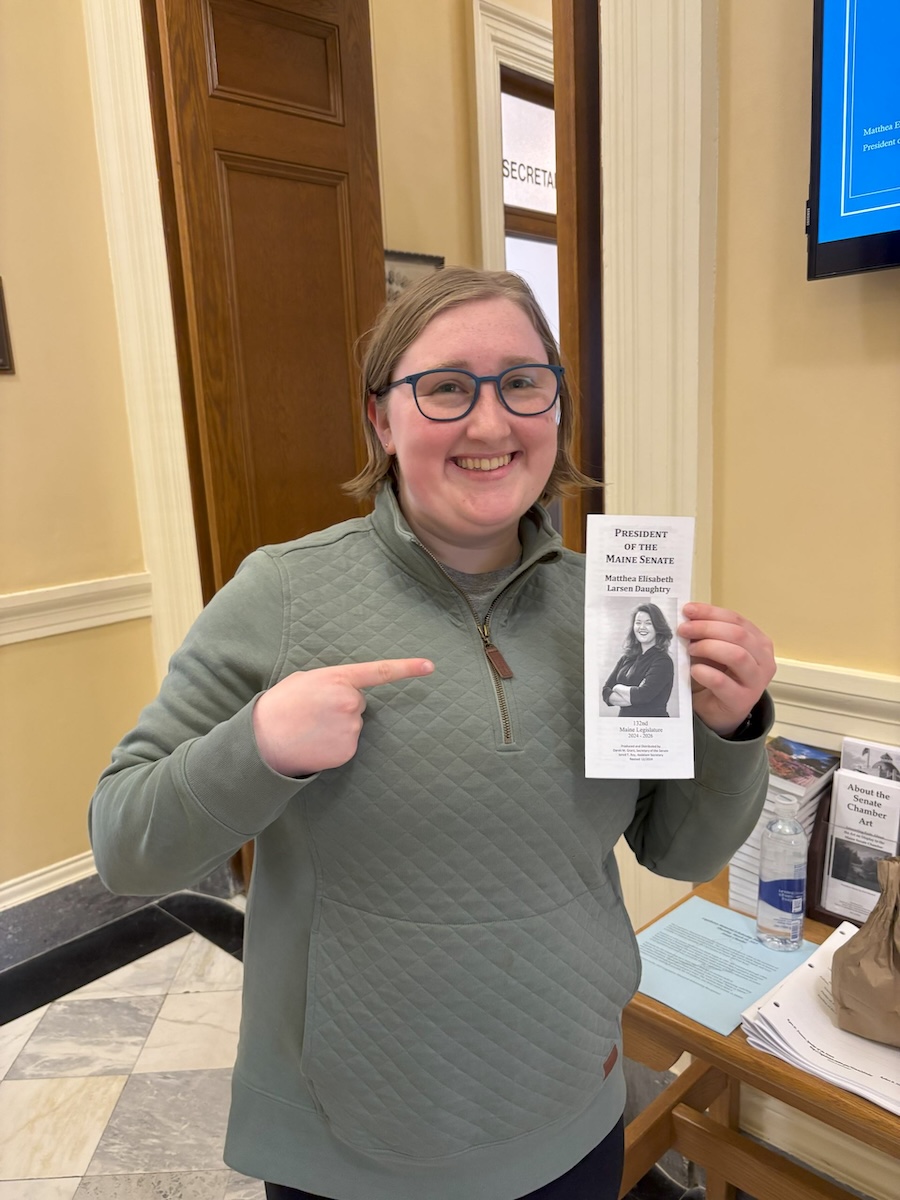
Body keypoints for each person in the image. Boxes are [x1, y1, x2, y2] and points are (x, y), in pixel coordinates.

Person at [89, 267, 776, 1200]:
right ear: (381, 419)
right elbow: (125, 844)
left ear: (557, 405)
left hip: (571, 1108)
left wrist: (729, 729)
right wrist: (260, 746)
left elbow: (676, 847)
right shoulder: (279, 595)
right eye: (446, 387)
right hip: (352, 1138)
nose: (491, 425)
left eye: (523, 383)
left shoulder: (616, 610)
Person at [602, 602, 675, 718]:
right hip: (624, 726)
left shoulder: (663, 661)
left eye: (648, 623)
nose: (642, 627)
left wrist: (617, 688)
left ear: (658, 628)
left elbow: (643, 695)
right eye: (638, 623)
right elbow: (606, 692)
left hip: (653, 728)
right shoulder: (626, 658)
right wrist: (634, 696)